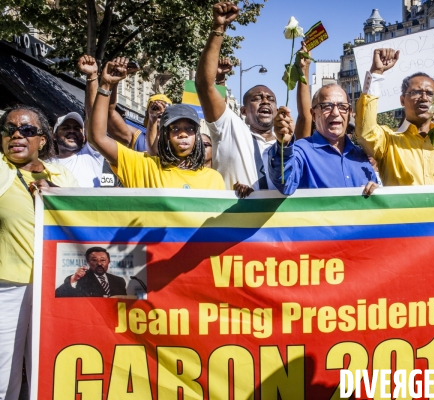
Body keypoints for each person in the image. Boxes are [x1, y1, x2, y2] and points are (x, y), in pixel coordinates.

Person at [0, 105, 78, 399]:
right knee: (4, 372)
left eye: (27, 130)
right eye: (9, 129)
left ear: (42, 140)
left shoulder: (63, 175)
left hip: (55, 288)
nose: (17, 135)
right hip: (9, 286)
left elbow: (81, 216)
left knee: (49, 369)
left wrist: (55, 192)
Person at [88, 57, 225, 190]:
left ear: (197, 136)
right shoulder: (144, 166)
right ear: (165, 135)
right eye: (175, 128)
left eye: (189, 129)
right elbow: (97, 138)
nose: (183, 134)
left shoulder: (214, 179)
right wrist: (106, 84)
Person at [354, 48, 434, 186]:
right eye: (416, 92)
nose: (424, 98)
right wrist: (376, 73)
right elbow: (366, 132)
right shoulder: (388, 142)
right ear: (402, 100)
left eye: (430, 94)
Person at [195, 2, 278, 191]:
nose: (265, 101)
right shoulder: (230, 129)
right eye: (257, 98)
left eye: (271, 99)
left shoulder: (287, 146)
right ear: (243, 110)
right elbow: (203, 85)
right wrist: (218, 28)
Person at [268, 84, 378, 196]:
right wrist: (284, 144)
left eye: (342, 106)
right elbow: (285, 184)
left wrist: (377, 192)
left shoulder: (361, 156)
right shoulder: (300, 151)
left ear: (349, 113)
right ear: (313, 115)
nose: (335, 113)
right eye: (327, 106)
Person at [55, 247, 127, 297]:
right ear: (88, 262)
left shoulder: (119, 281)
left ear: (109, 262)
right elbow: (58, 294)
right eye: (94, 260)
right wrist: (73, 280)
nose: (99, 263)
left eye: (103, 260)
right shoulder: (79, 279)